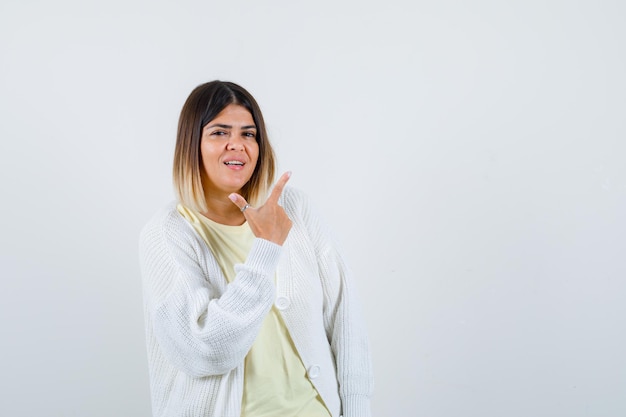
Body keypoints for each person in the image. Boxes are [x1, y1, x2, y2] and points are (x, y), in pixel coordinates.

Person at [139, 80, 373, 417]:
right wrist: (265, 251)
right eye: (220, 132)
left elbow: (345, 318)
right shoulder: (166, 235)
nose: (237, 145)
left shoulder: (295, 210)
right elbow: (205, 351)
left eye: (248, 134)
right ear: (192, 144)